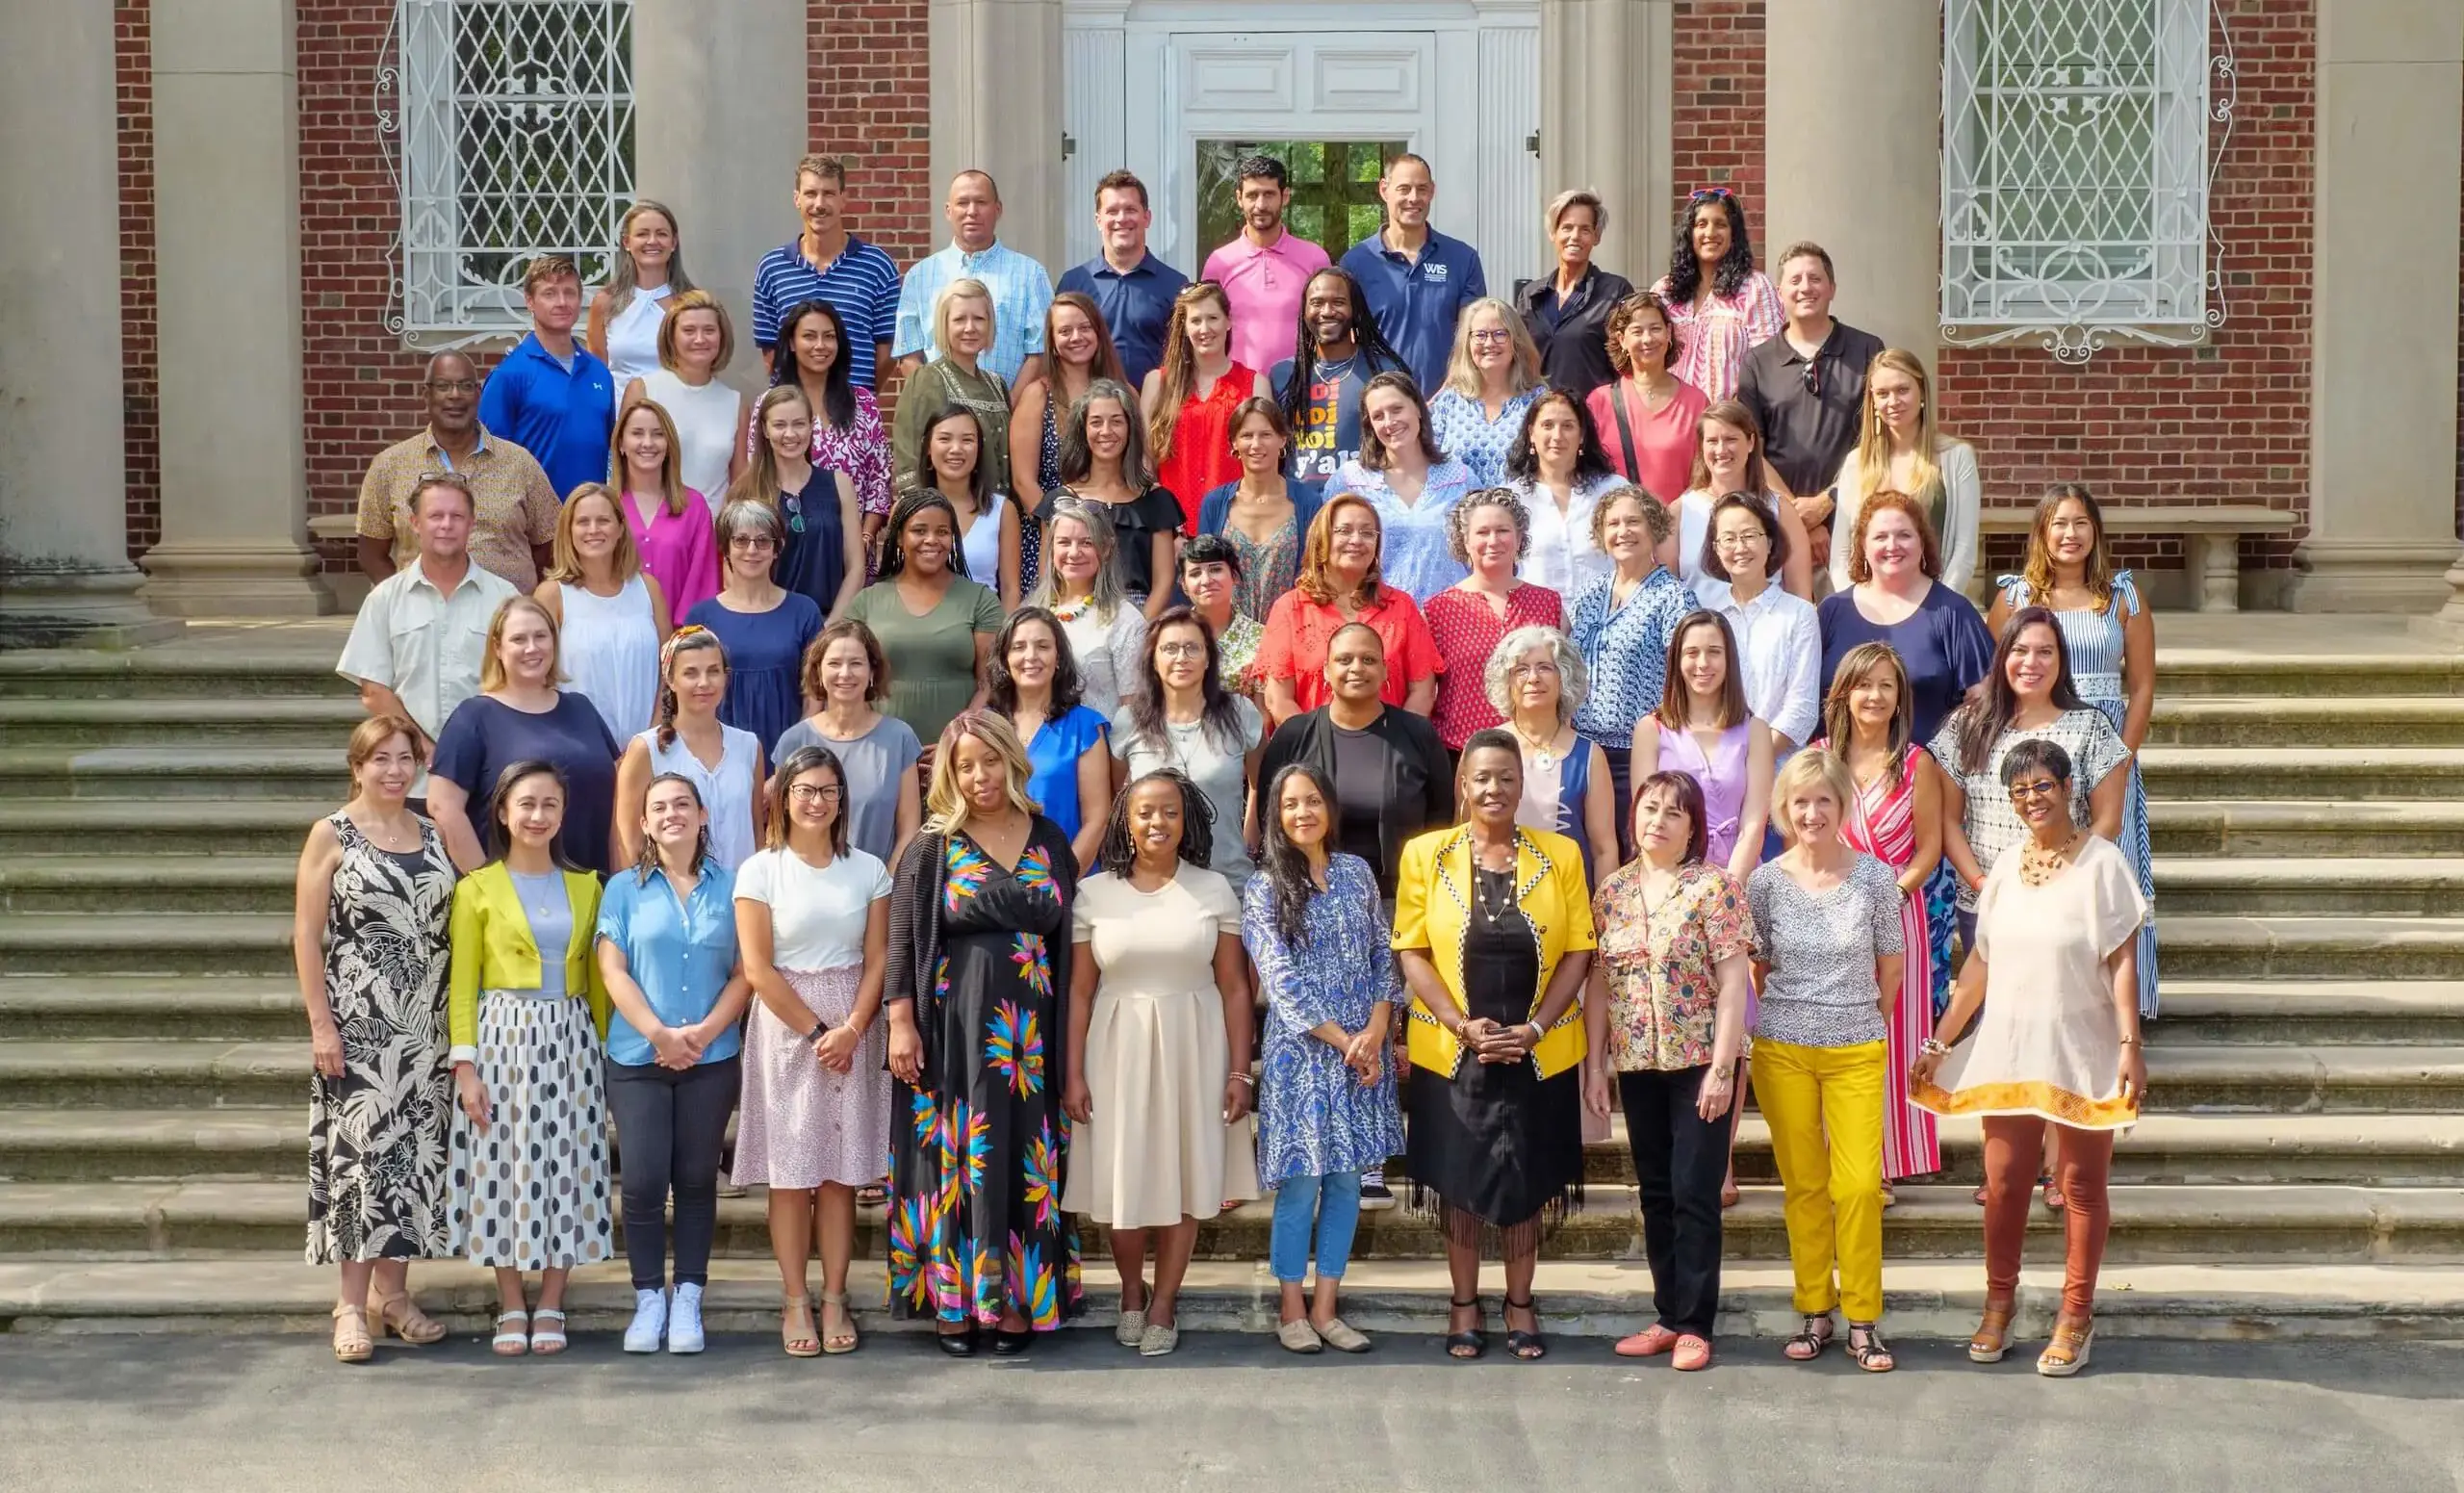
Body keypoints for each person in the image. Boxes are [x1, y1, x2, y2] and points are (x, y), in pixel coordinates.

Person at [1912, 738, 2146, 1377]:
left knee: (2078, 1184)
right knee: (2006, 1182)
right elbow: (1980, 963)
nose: (2032, 798)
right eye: (2020, 790)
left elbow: (2122, 959)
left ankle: (2076, 1313)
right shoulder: (2006, 868)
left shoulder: (2102, 864)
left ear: (2068, 787)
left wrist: (2131, 1044)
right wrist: (1939, 1040)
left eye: (2043, 785)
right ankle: (1999, 1303)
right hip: (2010, 1048)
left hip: (2083, 1046)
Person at [884, 712, 1085, 1354]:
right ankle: (954, 1301)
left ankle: (1017, 1300)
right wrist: (899, 1020)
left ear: (1012, 761)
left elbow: (1070, 940)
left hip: (1030, 1036)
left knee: (1023, 1160)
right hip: (952, 1029)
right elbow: (901, 937)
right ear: (950, 771)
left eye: (990, 760)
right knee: (951, 1159)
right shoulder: (932, 844)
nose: (979, 776)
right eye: (965, 764)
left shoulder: (1050, 837)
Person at [1394, 733, 1595, 1360]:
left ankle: (1520, 1301)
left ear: (1522, 785)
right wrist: (1461, 1024)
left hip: (1539, 1048)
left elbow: (1581, 949)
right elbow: (1411, 949)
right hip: (1456, 1050)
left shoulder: (1560, 855)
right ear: (1462, 784)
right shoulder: (1426, 855)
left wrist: (1533, 1029)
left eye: (1507, 777)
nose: (1494, 789)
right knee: (1460, 1183)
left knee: (1528, 1179)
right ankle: (1462, 1303)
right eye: (1481, 777)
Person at [1063, 769, 1259, 1356]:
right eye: (1146, 811)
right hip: (1115, 1043)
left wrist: (1239, 1071)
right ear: (1125, 817)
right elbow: (1077, 992)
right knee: (1124, 1176)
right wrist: (1072, 1072)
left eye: (1170, 812)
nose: (1157, 822)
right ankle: (1129, 1291)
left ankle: (1166, 1301)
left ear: (1187, 819)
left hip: (1195, 1045)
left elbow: (1234, 989)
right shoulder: (1094, 893)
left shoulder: (1213, 889)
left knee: (1182, 1177)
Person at [296, 715, 458, 1363]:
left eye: (405, 758)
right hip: (360, 1031)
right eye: (381, 759)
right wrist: (320, 1023)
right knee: (360, 1164)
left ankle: (395, 1296)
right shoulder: (329, 834)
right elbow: (306, 935)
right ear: (356, 765)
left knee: (412, 1161)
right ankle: (350, 1304)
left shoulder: (432, 831)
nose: (395, 770)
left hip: (428, 1029)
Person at [1584, 769, 1751, 1372]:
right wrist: (1595, 1064)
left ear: (1693, 827)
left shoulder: (1714, 889)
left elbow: (1734, 982)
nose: (1657, 820)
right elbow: (1600, 982)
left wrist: (1724, 1069)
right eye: (1649, 808)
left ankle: (1695, 1325)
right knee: (1655, 1192)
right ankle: (1667, 1313)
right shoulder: (1613, 893)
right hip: (1637, 1063)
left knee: (1694, 1192)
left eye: (1672, 812)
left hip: (1700, 1062)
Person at [732, 743, 895, 1356]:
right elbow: (756, 966)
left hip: (855, 1022)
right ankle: (795, 1298)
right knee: (792, 1174)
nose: (817, 801)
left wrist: (852, 1027)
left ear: (841, 799)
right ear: (783, 798)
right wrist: (814, 1031)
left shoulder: (869, 869)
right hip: (786, 1026)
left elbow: (878, 957)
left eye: (828, 790)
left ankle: (835, 1295)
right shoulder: (760, 870)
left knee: (839, 1177)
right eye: (805, 790)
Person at [446, 760, 612, 1356]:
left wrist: (602, 1047)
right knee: (505, 1165)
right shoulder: (476, 889)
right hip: (501, 1036)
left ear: (563, 814)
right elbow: (462, 983)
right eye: (526, 804)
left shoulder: (588, 886)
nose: (537, 815)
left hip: (568, 1035)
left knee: (565, 1162)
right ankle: (511, 1301)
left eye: (549, 804)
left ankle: (551, 1302)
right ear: (503, 812)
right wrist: (465, 1066)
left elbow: (598, 983)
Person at [1748, 748, 1906, 1373]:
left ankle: (1864, 1317)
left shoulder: (1875, 877)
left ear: (1842, 805)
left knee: (1861, 1186)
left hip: (1856, 1048)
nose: (1811, 812)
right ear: (1784, 810)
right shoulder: (1765, 881)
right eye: (1799, 801)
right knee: (1805, 1187)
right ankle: (1815, 1308)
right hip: (1782, 1050)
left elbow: (1891, 965)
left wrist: (1865, 1017)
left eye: (1823, 800)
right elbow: (1757, 967)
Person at [1245, 762, 1404, 1353]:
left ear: (1329, 807)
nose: (1303, 812)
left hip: (1366, 1050)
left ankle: (1328, 1307)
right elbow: (1281, 982)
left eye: (1313, 800)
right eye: (1290, 804)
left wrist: (1379, 1027)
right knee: (1301, 1183)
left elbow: (1381, 954)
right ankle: (1291, 1309)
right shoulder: (1264, 887)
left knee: (1345, 1182)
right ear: (1276, 816)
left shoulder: (1357, 873)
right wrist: (1346, 1040)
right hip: (1305, 1058)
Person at [595, 772, 751, 1355]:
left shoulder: (733, 886)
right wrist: (660, 1033)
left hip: (711, 1058)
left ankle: (687, 1293)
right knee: (639, 1181)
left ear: (703, 814)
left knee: (693, 1179)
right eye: (658, 807)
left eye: (682, 804)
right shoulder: (621, 890)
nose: (671, 814)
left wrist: (705, 1032)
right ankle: (647, 1298)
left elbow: (745, 972)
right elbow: (613, 971)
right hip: (638, 1056)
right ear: (643, 822)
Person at [1989, 484, 2158, 1019]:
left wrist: (2121, 760)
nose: (2070, 534)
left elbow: (2143, 687)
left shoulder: (2122, 597)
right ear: (2042, 531)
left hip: (2106, 747)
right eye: (2059, 523)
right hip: (2041, 749)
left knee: (2104, 872)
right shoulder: (2016, 598)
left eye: (2081, 523)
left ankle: (2117, 1008)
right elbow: (1995, 680)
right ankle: (2044, 998)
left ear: (2095, 532)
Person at [1933, 607, 2130, 991]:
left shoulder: (2091, 726)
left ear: (2061, 660)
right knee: (1994, 1014)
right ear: (2003, 655)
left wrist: (2061, 877)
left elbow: (2108, 821)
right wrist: (1981, 881)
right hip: (1988, 897)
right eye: (2020, 650)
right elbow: (1947, 820)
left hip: (2065, 900)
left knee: (2060, 1011)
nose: (2031, 662)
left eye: (2045, 652)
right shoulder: (1967, 725)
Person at [1814, 643, 1945, 1196]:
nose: (1874, 696)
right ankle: (1832, 1157)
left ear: (1899, 698)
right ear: (1843, 692)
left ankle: (1881, 1163)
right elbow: (1805, 832)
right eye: (1864, 685)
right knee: (1830, 1038)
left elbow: (1930, 848)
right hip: (1824, 915)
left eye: (1886, 686)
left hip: (1895, 913)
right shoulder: (1820, 759)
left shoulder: (1918, 763)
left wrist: (1886, 894)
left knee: (1889, 1041)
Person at [337, 474, 520, 781]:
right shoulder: (384, 599)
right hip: (410, 778)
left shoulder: (504, 598)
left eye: (457, 516)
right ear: (415, 523)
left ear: (471, 524)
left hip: (486, 772)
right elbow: (374, 691)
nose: (446, 525)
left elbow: (519, 685)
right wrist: (428, 751)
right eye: (435, 516)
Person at [1256, 623, 1454, 905]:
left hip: (1400, 899)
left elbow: (1440, 819)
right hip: (1312, 897)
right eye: (1344, 659)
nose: (1357, 668)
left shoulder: (1418, 734)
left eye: (1369, 660)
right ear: (1326, 670)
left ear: (1385, 671)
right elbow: (1271, 816)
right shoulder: (1294, 736)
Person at [427, 597, 622, 875]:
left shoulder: (581, 708)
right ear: (497, 648)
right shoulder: (474, 717)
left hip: (593, 890)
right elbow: (444, 807)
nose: (532, 648)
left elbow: (619, 797)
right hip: (514, 900)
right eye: (518, 639)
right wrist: (488, 886)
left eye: (541, 636)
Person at [356, 352, 558, 591]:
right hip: (423, 621)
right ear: (426, 395)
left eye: (464, 386)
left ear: (478, 394)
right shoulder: (389, 466)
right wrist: (401, 602)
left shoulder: (520, 464)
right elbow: (371, 554)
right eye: (443, 386)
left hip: (504, 620)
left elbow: (551, 546)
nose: (455, 395)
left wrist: (524, 604)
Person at [1818, 491, 1996, 749]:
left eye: (1904, 535)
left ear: (1922, 543)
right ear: (1863, 547)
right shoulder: (1832, 612)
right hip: (1839, 775)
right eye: (1880, 537)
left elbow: (1984, 703)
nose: (1892, 545)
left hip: (1927, 777)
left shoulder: (1953, 612)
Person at [1737, 242, 1887, 548]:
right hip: (1779, 524)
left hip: (1856, 519)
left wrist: (1828, 501)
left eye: (1815, 279)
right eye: (1795, 280)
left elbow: (1881, 438)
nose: (1806, 288)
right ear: (1779, 293)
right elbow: (1752, 450)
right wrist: (1797, 516)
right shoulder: (1757, 362)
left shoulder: (1868, 350)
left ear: (1832, 288)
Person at [1566, 486, 1692, 848]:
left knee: (1632, 850)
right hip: (1585, 752)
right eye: (1613, 524)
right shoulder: (1590, 593)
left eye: (1633, 522)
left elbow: (1688, 672)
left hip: (1639, 754)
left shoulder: (1673, 596)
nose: (1623, 531)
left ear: (1653, 529)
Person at [1112, 606, 1267, 889]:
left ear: (1208, 658)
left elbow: (1261, 784)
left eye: (1192, 648)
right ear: (1153, 659)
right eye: (1169, 648)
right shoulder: (1129, 721)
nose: (1181, 658)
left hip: (1228, 879)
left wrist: (1250, 832)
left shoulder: (1240, 713)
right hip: (1153, 886)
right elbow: (1115, 795)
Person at [1255, 495, 1442, 727]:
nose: (1356, 540)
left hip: (1389, 751)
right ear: (1321, 540)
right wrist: (1315, 744)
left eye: (1367, 533)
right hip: (1312, 754)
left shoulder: (1401, 606)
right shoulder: (1290, 608)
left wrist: (1397, 742)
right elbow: (1278, 699)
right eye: (1344, 531)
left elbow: (1423, 692)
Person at [843, 490, 1004, 750]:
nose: (932, 540)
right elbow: (847, 677)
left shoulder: (980, 600)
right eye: (919, 531)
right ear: (898, 538)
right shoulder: (866, 602)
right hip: (880, 748)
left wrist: (958, 738)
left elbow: (990, 683)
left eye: (942, 532)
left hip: (959, 754)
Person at [1634, 610, 1776, 889]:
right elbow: (1646, 821)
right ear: (1677, 660)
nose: (1702, 663)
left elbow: (1754, 822)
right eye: (1691, 652)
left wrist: (1727, 889)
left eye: (1714, 652)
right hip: (1668, 880)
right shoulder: (1651, 729)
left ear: (1729, 660)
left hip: (1738, 876)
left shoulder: (1755, 730)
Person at [1829, 348, 1982, 596]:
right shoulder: (1856, 464)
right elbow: (1840, 555)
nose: (1893, 401)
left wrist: (1938, 608)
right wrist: (1855, 607)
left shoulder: (1956, 457)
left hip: (1935, 605)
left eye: (1902, 390)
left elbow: (1964, 552)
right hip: (1869, 609)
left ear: (1921, 391)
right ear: (1873, 401)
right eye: (1882, 394)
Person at [776, 619, 926, 867]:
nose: (845, 673)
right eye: (834, 663)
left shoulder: (900, 739)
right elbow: (782, 828)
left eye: (856, 663)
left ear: (872, 672)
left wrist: (883, 887)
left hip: (879, 891)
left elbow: (909, 831)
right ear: (819, 673)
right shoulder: (793, 741)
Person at [1424, 489, 1565, 754]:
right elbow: (1424, 692)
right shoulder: (1438, 610)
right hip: (1462, 756)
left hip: (1536, 754)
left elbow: (1565, 684)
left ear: (1519, 537)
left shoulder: (1548, 603)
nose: (1493, 540)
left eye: (1502, 530)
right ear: (1464, 541)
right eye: (1482, 532)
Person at [614, 627, 765, 871]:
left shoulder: (748, 746)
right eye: (691, 673)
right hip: (671, 901)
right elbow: (627, 841)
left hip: (740, 898)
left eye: (713, 671)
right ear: (671, 680)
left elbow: (757, 831)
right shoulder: (646, 749)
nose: (704, 683)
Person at [682, 500, 825, 759]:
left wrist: (791, 759)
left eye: (763, 541)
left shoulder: (804, 612)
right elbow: (687, 696)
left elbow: (815, 695)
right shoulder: (701, 617)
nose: (752, 550)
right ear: (725, 548)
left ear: (776, 549)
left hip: (788, 755)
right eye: (741, 540)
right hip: (717, 756)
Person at [1340, 152, 1488, 398]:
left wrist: (1447, 395)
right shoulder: (1355, 263)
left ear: (1432, 191)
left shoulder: (1463, 259)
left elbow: (1472, 337)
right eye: (1404, 189)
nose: (1414, 198)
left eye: (1421, 189)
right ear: (1384, 190)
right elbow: (1346, 342)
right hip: (1378, 408)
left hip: (1448, 404)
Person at [1011, 292, 1130, 594]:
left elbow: (1139, 467)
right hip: (1053, 536)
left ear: (1099, 332)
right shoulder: (1038, 395)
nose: (1076, 337)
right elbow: (1024, 481)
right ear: (1051, 341)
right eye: (1065, 331)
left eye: (1084, 327)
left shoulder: (1125, 393)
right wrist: (1066, 529)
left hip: (1115, 534)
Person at [533, 483, 672, 743]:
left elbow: (668, 671)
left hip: (648, 747)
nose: (593, 530)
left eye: (603, 520)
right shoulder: (551, 595)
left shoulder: (648, 589)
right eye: (583, 522)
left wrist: (653, 736)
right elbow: (539, 679)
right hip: (577, 748)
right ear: (568, 531)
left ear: (620, 528)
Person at [751, 154, 900, 390]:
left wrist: (857, 396)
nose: (819, 204)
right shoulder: (772, 267)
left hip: (853, 412)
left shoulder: (878, 266)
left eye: (829, 194)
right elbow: (771, 352)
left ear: (843, 199)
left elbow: (888, 349)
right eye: (810, 194)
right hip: (793, 416)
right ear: (796, 199)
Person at [893, 169, 1053, 386]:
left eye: (981, 202)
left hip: (1012, 414)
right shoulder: (919, 276)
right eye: (962, 203)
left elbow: (1040, 355)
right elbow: (909, 356)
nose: (972, 211)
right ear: (948, 211)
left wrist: (1007, 408)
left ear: (998, 209)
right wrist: (940, 407)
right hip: (941, 415)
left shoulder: (1031, 275)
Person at [477, 255, 617, 500]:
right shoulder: (509, 376)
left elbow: (609, 454)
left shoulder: (599, 373)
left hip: (591, 523)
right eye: (550, 293)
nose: (562, 302)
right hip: (535, 527)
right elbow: (489, 464)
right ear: (530, 301)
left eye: (569, 292)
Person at [761, 299, 895, 551]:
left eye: (829, 336)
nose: (820, 346)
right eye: (809, 336)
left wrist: (864, 539)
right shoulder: (769, 404)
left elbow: (879, 480)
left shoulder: (864, 404)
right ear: (791, 343)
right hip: (786, 548)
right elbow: (758, 472)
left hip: (852, 550)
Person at [1696, 492, 1823, 756]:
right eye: (1729, 539)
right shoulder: (1706, 614)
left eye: (1750, 536)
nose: (1740, 547)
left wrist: (1752, 759)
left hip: (1779, 773)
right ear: (1716, 548)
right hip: (1716, 767)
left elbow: (1801, 709)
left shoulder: (1799, 615)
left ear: (1770, 543)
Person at [1491, 626, 1617, 889]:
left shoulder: (1590, 755)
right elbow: (1465, 835)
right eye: (1521, 669)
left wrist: (1603, 917)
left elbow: (1604, 850)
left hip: (1569, 905)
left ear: (1565, 678)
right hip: (1497, 902)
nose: (1533, 678)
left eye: (1545, 667)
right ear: (1507, 681)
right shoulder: (1485, 748)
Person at [1334, 372, 1477, 602]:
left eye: (1397, 409)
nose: (1389, 422)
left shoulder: (1461, 478)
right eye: (1378, 416)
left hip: (1452, 619)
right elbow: (1328, 557)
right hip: (1376, 619)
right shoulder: (1348, 480)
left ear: (1418, 409)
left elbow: (1480, 555)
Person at [988, 606, 1112, 872]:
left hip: (1065, 884)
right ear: (1005, 659)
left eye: (1043, 646)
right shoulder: (985, 726)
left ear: (1058, 658)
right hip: (993, 889)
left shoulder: (1086, 727)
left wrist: (1058, 884)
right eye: (1018, 647)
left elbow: (1097, 820)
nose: (1031, 656)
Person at [732, 385, 864, 623]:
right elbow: (731, 570)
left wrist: (828, 627)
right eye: (780, 425)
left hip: (829, 625)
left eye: (799, 424)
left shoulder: (840, 484)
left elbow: (856, 567)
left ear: (812, 425)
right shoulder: (745, 491)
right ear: (764, 429)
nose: (790, 434)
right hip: (767, 625)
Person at [1143, 282, 1270, 530]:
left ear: (1228, 321)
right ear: (1185, 327)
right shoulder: (1157, 383)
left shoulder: (1255, 385)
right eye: (1195, 320)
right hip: (1171, 530)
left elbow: (1266, 463)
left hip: (1236, 528)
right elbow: (1145, 461)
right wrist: (1161, 526)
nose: (1204, 329)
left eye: (1212, 318)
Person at [1047, 379, 1182, 613]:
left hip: (1140, 616)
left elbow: (1163, 583)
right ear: (1084, 429)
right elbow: (1049, 579)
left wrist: (1138, 632)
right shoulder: (1061, 501)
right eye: (1096, 422)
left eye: (1116, 422)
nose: (1106, 431)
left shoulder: (1156, 500)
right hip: (1075, 615)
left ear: (1130, 428)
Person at [1272, 267, 1408, 483]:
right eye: (1317, 303)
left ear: (1355, 309)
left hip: (1361, 503)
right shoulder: (1282, 374)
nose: (1327, 311)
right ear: (1304, 311)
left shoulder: (1384, 371)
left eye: (1338, 302)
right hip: (1298, 506)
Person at [1195, 398, 1325, 621]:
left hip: (1291, 631)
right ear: (1234, 443)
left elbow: (1319, 575)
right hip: (1227, 637)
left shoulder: (1308, 503)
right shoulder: (1215, 504)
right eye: (1247, 435)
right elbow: (1201, 574)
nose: (1256, 445)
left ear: (1282, 439)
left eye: (1266, 434)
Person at [1203, 154, 1333, 375]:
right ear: (1239, 198)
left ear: (1285, 196)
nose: (1260, 205)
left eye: (1269, 194)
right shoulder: (1219, 262)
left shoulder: (1315, 259)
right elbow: (1206, 331)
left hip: (1300, 386)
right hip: (1239, 391)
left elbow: (1328, 328)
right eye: (1252, 195)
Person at [1060, 169, 1190, 391]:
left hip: (1154, 411)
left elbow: (1185, 358)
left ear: (1146, 217)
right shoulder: (1074, 283)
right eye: (1112, 211)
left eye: (1130, 209)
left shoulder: (1175, 284)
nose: (1121, 219)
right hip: (1090, 415)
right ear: (1098, 220)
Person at [1647, 189, 1780, 401]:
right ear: (1689, 233)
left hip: (1729, 423)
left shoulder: (1755, 287)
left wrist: (1731, 417)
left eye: (1721, 224)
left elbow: (1769, 363)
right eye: (1701, 224)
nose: (1710, 233)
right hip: (1671, 420)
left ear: (1733, 234)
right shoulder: (1664, 291)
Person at [1674, 399, 1814, 599]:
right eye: (1712, 441)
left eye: (1731, 439)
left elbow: (1800, 596)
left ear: (1750, 442)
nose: (1721, 450)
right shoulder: (1680, 512)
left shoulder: (1781, 510)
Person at [622, 291, 745, 516]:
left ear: (722, 336)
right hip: (655, 529)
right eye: (689, 330)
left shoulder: (734, 402)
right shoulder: (643, 390)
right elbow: (623, 470)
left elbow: (739, 487)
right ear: (671, 336)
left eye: (709, 330)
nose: (700, 339)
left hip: (713, 536)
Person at [1028, 499, 1149, 721]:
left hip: (1102, 747)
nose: (1074, 553)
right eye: (1064, 542)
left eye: (1086, 543)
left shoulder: (1126, 620)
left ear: (1106, 548)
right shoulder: (1032, 612)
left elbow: (1133, 710)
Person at [891, 277, 1014, 494]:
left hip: (1000, 513)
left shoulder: (996, 384)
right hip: (947, 514)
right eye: (959, 319)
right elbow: (908, 455)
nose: (970, 328)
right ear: (944, 324)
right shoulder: (927, 379)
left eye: (979, 319)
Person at [1587, 290, 1710, 504]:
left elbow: (1706, 475)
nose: (1647, 339)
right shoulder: (1599, 402)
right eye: (1637, 331)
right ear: (1622, 339)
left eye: (1655, 329)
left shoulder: (1696, 402)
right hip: (1620, 530)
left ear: (1669, 333)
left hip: (1679, 528)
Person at [1514, 188, 1633, 401]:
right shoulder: (1531, 296)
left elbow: (1628, 365)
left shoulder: (1616, 292)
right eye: (1566, 228)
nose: (1575, 237)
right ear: (1553, 233)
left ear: (1596, 236)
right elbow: (1518, 364)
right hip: (1541, 420)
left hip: (1594, 418)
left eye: (1585, 229)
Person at [1504, 390, 1626, 597]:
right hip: (1537, 621)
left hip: (1606, 618)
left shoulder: (1614, 490)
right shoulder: (1510, 497)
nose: (1557, 436)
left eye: (1568, 426)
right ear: (1531, 433)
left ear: (1582, 436)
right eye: (1548, 425)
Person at [612, 396, 720, 621]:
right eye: (637, 433)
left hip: (680, 644)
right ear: (621, 444)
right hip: (618, 637)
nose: (648, 442)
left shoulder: (694, 507)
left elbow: (702, 580)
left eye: (658, 434)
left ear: (669, 444)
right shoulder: (605, 505)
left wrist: (679, 641)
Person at [1427, 298, 1545, 487]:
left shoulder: (1539, 401)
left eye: (1500, 334)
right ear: (1467, 342)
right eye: (1480, 335)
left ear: (1516, 340)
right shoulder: (1448, 401)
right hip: (1459, 513)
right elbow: (1428, 464)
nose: (1489, 343)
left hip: (1519, 513)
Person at [911, 404, 1019, 609]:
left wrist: (1004, 639)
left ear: (979, 450)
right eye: (945, 439)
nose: (956, 449)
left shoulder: (1003, 510)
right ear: (928, 447)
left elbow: (1010, 588)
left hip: (984, 629)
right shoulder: (907, 510)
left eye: (967, 440)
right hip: (921, 630)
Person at [587, 199, 692, 398]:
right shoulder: (605, 303)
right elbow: (597, 371)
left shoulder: (690, 303)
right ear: (627, 243)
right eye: (642, 234)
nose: (652, 241)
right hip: (622, 419)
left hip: (678, 417)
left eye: (661, 234)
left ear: (673, 243)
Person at [1177, 535, 1268, 697]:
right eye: (1195, 573)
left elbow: (1264, 714)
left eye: (1215, 569)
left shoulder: (1262, 637)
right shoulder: (1172, 635)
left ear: (1234, 576)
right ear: (1184, 585)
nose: (1206, 580)